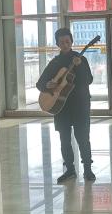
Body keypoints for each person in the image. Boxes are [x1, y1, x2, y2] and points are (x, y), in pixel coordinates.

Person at [36, 27, 95, 184]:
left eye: (67, 41)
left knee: (83, 138)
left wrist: (79, 66)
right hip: (61, 106)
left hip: (80, 105)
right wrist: (48, 85)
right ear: (57, 44)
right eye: (61, 42)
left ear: (72, 42)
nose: (65, 44)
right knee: (64, 140)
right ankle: (70, 169)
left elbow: (88, 80)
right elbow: (40, 83)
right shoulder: (55, 62)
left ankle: (88, 169)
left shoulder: (81, 59)